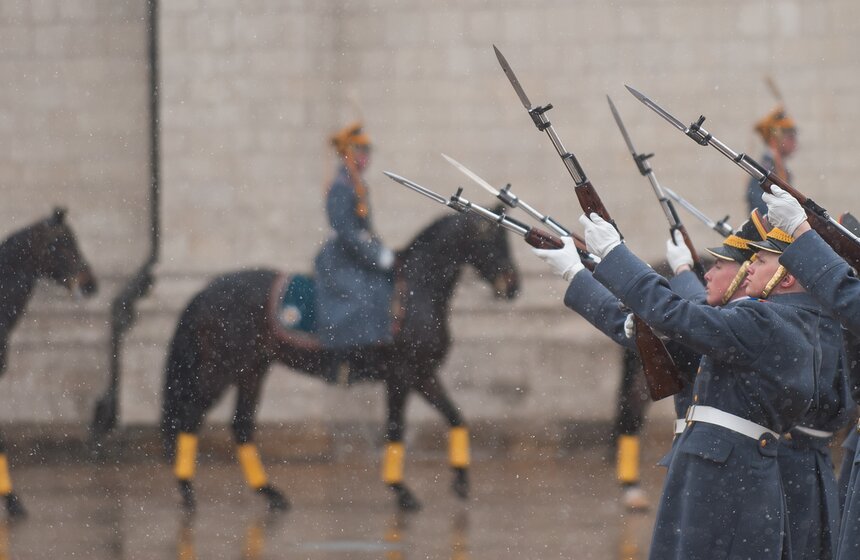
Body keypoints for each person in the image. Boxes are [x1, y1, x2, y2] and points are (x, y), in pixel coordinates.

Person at [576, 213, 821, 559]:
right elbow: (687, 314)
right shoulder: (776, 320)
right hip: (723, 465)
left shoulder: (765, 320)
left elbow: (679, 315)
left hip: (725, 471)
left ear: (787, 276)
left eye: (761, 260)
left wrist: (617, 255)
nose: (749, 268)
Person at [533, 212, 769, 512]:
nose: (706, 273)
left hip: (719, 475)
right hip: (702, 466)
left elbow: (680, 315)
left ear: (744, 274)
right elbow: (688, 312)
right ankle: (627, 476)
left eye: (719, 265)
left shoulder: (748, 320)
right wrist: (681, 270)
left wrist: (591, 268)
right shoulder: (736, 317)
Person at [314, 122, 395, 382]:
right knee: (359, 297)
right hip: (341, 257)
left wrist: (382, 250)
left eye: (367, 152)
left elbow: (366, 229)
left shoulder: (357, 185)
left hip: (359, 251)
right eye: (361, 152)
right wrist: (373, 255)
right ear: (348, 154)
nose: (365, 158)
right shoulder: (340, 186)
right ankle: (343, 361)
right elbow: (347, 232)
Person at [746, 106, 797, 214]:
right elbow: (758, 206)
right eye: (790, 137)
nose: (794, 142)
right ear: (774, 140)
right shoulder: (765, 169)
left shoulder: (779, 169)